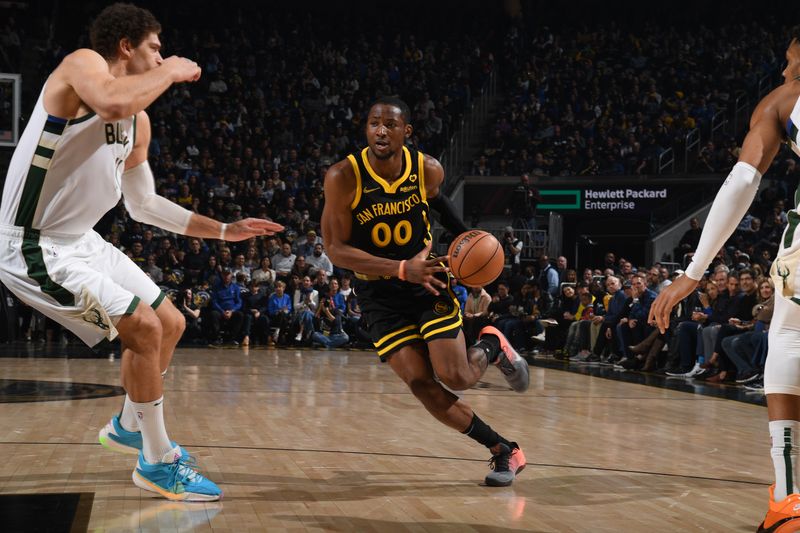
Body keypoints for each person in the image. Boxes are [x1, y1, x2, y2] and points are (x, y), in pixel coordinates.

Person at [0, 2, 284, 501]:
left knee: (170, 322)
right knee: (143, 328)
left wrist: (223, 230)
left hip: (81, 240)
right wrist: (175, 71)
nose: (162, 57)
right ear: (126, 46)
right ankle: (157, 461)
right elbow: (109, 102)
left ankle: (129, 428)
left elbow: (143, 203)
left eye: (164, 53)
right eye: (155, 47)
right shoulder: (82, 64)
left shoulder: (139, 124)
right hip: (31, 242)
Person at [322, 96, 529, 487]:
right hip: (379, 295)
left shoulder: (427, 170)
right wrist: (401, 268)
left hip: (427, 282)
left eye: (389, 124)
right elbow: (336, 249)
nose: (380, 131)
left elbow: (444, 211)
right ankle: (504, 449)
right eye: (373, 123)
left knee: (458, 376)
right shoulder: (342, 177)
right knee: (421, 385)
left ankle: (490, 344)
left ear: (406, 132)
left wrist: (473, 252)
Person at [650, 37, 800, 532]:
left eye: (790, 59)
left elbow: (741, 180)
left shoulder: (786, 98)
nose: (784, 70)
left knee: (788, 337)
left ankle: (789, 498)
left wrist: (693, 274)